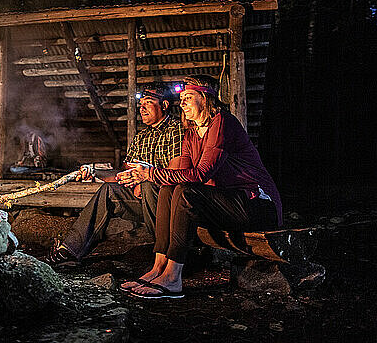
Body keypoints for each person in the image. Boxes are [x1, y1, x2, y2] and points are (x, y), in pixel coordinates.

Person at [118, 75, 282, 298]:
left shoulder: (222, 122)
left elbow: (202, 173)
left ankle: (173, 278)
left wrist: (151, 173)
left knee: (186, 193)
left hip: (256, 204)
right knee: (169, 190)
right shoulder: (191, 134)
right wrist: (145, 176)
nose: (182, 103)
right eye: (181, 98)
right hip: (226, 202)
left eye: (188, 97)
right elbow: (179, 176)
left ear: (205, 100)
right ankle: (159, 267)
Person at [44, 84, 183, 266]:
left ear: (164, 105)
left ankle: (169, 257)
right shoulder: (141, 137)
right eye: (141, 103)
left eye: (148, 102)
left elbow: (177, 173)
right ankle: (69, 251)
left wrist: (145, 179)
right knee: (109, 190)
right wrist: (94, 171)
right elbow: (123, 174)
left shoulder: (177, 130)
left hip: (167, 204)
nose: (142, 107)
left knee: (148, 186)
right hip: (141, 202)